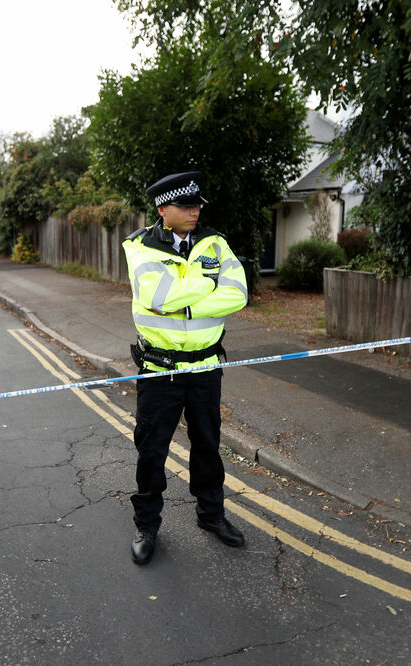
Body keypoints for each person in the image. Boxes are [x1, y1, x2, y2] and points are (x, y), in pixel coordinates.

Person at [121, 171, 249, 565]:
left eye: (197, 206)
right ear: (163, 210)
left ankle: (211, 515)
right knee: (151, 451)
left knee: (208, 446)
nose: (195, 212)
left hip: (206, 366)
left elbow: (238, 294)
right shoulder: (140, 247)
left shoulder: (215, 242)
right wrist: (208, 282)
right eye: (185, 206)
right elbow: (158, 296)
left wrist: (188, 304)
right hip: (160, 369)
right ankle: (147, 526)